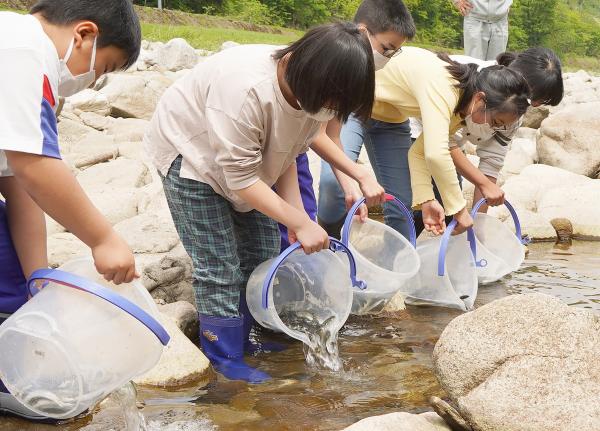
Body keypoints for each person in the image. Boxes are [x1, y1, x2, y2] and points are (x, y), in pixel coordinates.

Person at [144, 22, 385, 384]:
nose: (332, 111)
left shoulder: (309, 94)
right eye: (334, 102)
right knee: (219, 266)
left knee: (262, 252)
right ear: (313, 76)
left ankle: (249, 338)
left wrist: (296, 217)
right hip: (191, 158)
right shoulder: (246, 90)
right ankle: (225, 356)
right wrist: (301, 222)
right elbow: (241, 180)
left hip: (246, 164)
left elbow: (286, 154)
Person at [0, 0, 141, 421]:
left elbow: (21, 187)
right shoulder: (23, 50)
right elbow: (37, 166)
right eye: (104, 69)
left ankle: (12, 376)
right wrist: (104, 239)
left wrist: (36, 283)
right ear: (84, 34)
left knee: (13, 285)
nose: (93, 81)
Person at [318, 47, 531, 239]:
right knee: (333, 183)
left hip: (391, 122)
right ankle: (330, 249)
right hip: (355, 106)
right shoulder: (445, 88)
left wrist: (427, 199)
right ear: (480, 99)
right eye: (495, 121)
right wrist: (458, 209)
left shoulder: (460, 109)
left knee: (402, 206)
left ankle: (397, 274)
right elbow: (437, 154)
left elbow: (419, 154)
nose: (492, 129)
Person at [278, 0, 416, 250]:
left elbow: (331, 133)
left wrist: (350, 185)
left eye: (394, 53)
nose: (387, 57)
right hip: (277, 141)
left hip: (292, 149)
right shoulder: (332, 59)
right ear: (363, 31)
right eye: (386, 48)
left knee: (303, 223)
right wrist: (358, 174)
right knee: (289, 225)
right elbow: (314, 135)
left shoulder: (358, 67)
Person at [409, 47, 564, 229]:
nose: (532, 106)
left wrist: (477, 225)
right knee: (411, 202)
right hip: (409, 123)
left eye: (540, 103)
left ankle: (418, 253)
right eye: (533, 99)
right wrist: (479, 186)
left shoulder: (513, 109)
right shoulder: (473, 82)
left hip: (441, 144)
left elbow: (491, 161)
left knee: (449, 209)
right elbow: (442, 144)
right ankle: (395, 253)